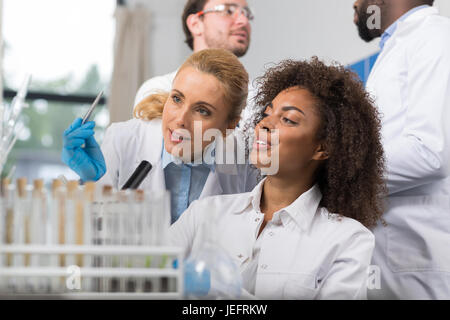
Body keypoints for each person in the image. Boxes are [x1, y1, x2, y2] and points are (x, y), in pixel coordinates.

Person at [169, 58, 386, 299]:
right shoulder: (203, 214)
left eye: (288, 120)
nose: (264, 124)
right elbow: (144, 278)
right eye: (267, 113)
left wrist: (226, 294)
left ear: (322, 148)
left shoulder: (348, 240)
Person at [62, 49, 259, 223]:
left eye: (202, 110)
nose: (181, 119)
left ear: (230, 124)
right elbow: (91, 226)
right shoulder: (124, 140)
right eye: (176, 99)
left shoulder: (246, 160)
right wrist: (87, 182)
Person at [353, 0, 450, 299]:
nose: (355, 3)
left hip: (421, 262)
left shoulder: (434, 37)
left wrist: (336, 171)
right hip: (397, 259)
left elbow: (429, 152)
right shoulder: (400, 45)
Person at [134, 0, 256, 128]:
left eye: (246, 13)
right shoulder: (158, 89)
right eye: (228, 11)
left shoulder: (261, 97)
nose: (244, 20)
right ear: (195, 24)